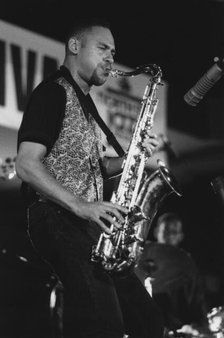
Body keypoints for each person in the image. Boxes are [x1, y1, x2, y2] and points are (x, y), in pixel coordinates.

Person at [16, 17, 164, 338]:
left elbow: (96, 167)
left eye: (113, 51)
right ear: (74, 46)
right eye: (102, 48)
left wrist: (131, 158)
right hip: (58, 218)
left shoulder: (87, 106)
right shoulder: (52, 93)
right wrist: (83, 206)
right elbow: (27, 164)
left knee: (148, 321)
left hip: (86, 226)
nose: (111, 58)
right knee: (101, 321)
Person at [136, 212, 209, 336]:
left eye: (174, 232)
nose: (169, 235)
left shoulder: (187, 265)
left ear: (181, 236)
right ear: (156, 232)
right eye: (165, 230)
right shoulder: (140, 253)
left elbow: (197, 303)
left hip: (178, 328)